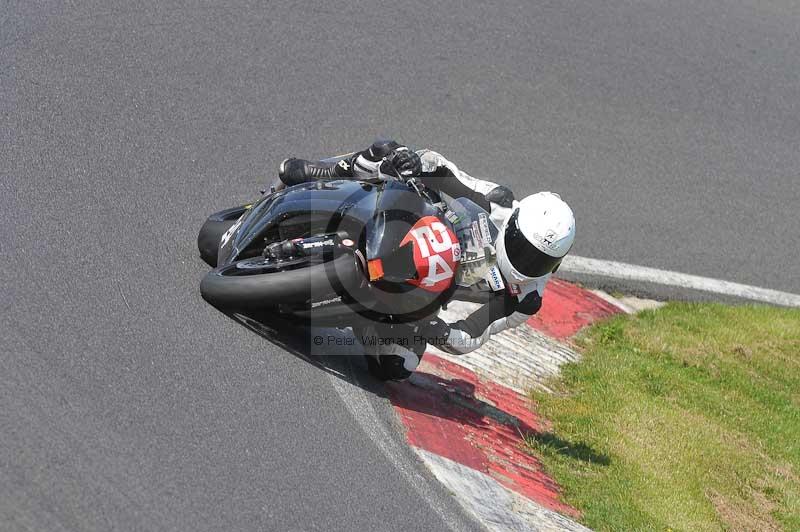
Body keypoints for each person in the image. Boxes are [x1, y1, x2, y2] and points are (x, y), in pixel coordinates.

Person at [278, 139, 576, 380]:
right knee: (386, 152)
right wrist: (415, 163)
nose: (527, 263)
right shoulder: (496, 201)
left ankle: (355, 314)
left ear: (557, 263)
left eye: (539, 260)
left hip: (423, 289)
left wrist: (439, 331)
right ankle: (323, 173)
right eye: (523, 248)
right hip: (411, 219)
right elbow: (446, 172)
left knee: (397, 365)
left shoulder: (525, 298)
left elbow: (475, 332)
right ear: (513, 223)